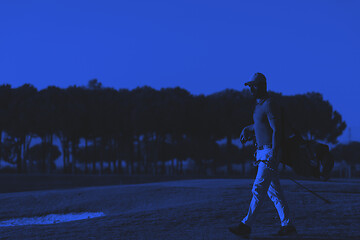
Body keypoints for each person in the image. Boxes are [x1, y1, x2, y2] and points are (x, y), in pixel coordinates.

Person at [229, 73, 297, 237]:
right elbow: (260, 124)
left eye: (254, 85)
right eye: (250, 86)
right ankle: (288, 226)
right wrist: (248, 128)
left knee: (258, 189)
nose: (251, 88)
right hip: (263, 152)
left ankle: (246, 226)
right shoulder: (259, 105)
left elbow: (276, 130)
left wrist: (274, 154)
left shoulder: (269, 104)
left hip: (269, 152)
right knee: (274, 193)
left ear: (263, 86)